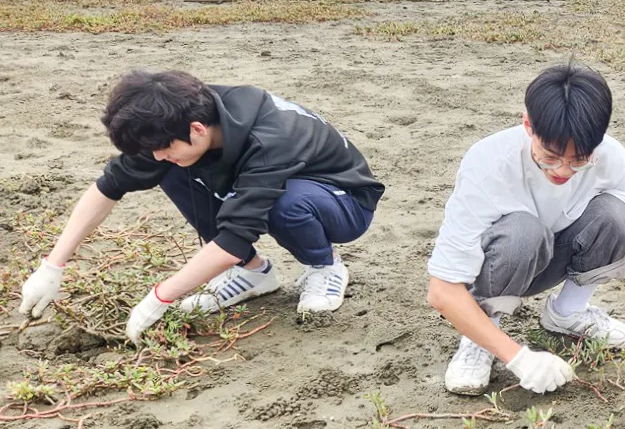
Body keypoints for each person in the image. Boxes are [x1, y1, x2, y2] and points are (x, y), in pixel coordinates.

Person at [427, 62, 625, 396]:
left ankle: (567, 313)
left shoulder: (610, 157)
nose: (562, 170)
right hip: (502, 263)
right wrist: (518, 357)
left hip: (552, 256)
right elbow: (442, 291)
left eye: (579, 160)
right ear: (528, 125)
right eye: (550, 156)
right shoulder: (488, 164)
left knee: (617, 214)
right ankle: (481, 335)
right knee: (523, 233)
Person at [16, 69, 384, 341]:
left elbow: (236, 236)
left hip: (343, 200)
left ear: (197, 129)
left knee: (285, 203)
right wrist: (53, 266)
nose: (157, 154)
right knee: (172, 168)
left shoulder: (270, 138)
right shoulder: (173, 123)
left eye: (163, 147)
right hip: (272, 181)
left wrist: (160, 297)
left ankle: (324, 266)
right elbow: (108, 187)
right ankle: (253, 273)